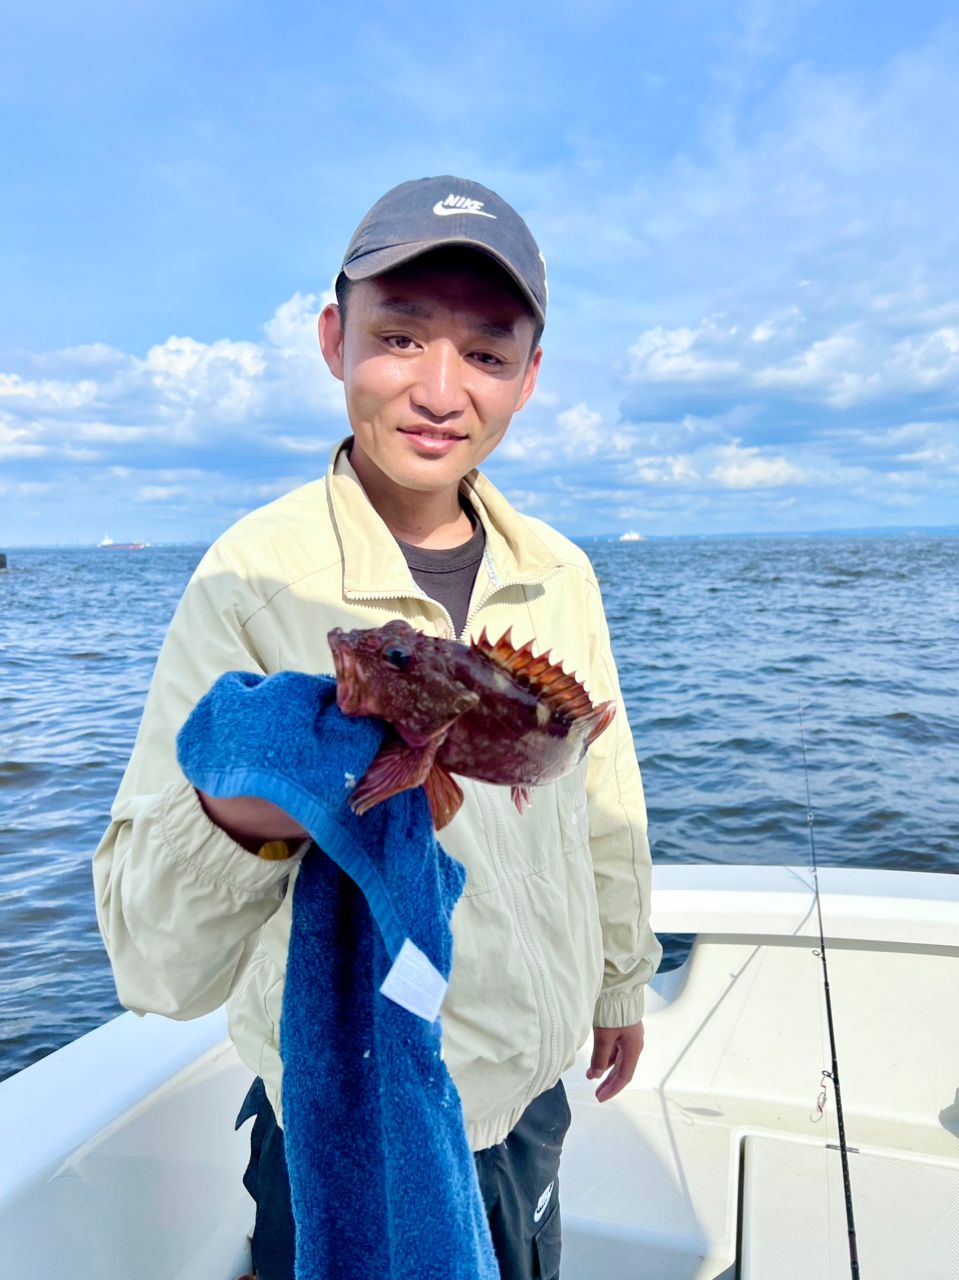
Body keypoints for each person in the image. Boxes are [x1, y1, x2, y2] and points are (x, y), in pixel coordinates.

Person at [93, 175, 661, 1280]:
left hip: (526, 1092)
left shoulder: (562, 574)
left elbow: (603, 790)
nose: (439, 389)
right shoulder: (251, 579)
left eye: (487, 354)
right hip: (337, 1106)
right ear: (331, 339)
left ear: (529, 379)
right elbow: (151, 960)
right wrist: (245, 811)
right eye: (398, 336)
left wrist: (617, 981)